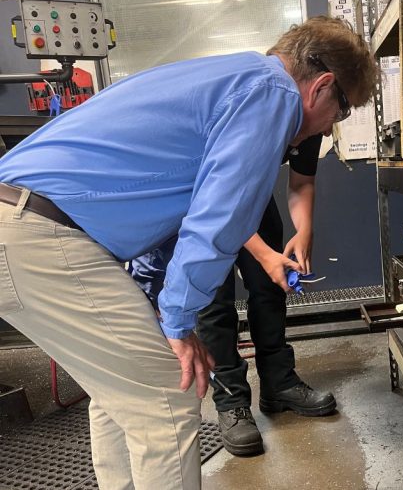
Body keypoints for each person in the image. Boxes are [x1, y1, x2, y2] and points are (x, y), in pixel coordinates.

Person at [0, 16, 378, 489]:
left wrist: (167, 312)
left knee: (120, 393)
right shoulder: (273, 96)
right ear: (322, 86)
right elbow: (217, 220)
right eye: (342, 111)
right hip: (40, 233)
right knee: (169, 401)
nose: (332, 126)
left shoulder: (233, 76)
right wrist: (177, 321)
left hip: (26, 221)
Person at [130, 134, 332, 457]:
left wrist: (305, 229)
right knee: (214, 299)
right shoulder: (262, 108)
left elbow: (302, 180)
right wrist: (265, 256)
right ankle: (232, 401)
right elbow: (224, 206)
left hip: (256, 195)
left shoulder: (315, 117)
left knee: (269, 289)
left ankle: (278, 383)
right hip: (207, 194)